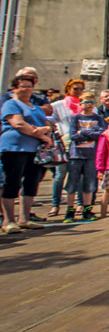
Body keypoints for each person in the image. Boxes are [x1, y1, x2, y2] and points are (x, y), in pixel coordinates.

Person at [1, 74, 54, 233]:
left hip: (35, 151)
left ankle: (24, 219)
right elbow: (18, 123)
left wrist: (46, 130)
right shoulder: (11, 104)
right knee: (12, 182)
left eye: (29, 86)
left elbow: (47, 124)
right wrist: (41, 134)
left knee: (31, 183)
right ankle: (8, 221)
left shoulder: (36, 107)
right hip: (14, 148)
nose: (26, 89)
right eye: (22, 86)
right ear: (14, 89)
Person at [63, 92, 106, 222]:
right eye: (86, 102)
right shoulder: (75, 118)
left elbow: (101, 133)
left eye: (92, 102)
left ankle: (87, 209)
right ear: (81, 104)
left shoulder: (98, 118)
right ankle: (70, 210)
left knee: (89, 184)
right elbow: (73, 136)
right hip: (76, 155)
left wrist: (83, 132)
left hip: (91, 155)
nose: (89, 105)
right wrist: (91, 134)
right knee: (72, 184)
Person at [48, 79, 85, 218]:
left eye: (81, 89)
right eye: (76, 89)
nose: (79, 92)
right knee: (60, 176)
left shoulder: (83, 105)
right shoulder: (58, 105)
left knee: (80, 176)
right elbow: (47, 118)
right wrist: (54, 130)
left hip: (81, 144)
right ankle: (55, 205)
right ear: (68, 89)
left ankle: (80, 204)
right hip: (64, 143)